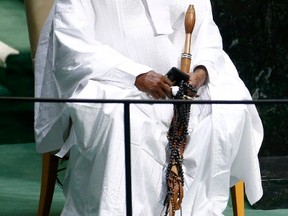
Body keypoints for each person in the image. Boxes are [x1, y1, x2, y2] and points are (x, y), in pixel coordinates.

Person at [34, 0, 264, 215]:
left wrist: (201, 72)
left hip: (183, 84)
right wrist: (135, 75)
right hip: (113, 80)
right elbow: (72, 44)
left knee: (227, 111)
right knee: (123, 119)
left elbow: (207, 34)